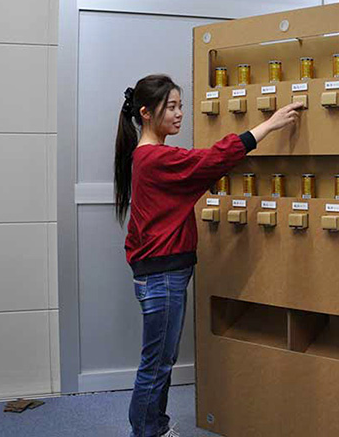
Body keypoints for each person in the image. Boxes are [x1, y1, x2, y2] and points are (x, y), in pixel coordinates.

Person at [113, 73, 303, 437]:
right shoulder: (154, 158)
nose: (180, 113)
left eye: (180, 105)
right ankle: (146, 433)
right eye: (171, 107)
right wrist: (270, 124)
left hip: (162, 272)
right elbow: (212, 160)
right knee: (156, 365)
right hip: (161, 276)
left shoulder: (147, 156)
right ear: (147, 114)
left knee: (162, 362)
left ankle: (156, 427)